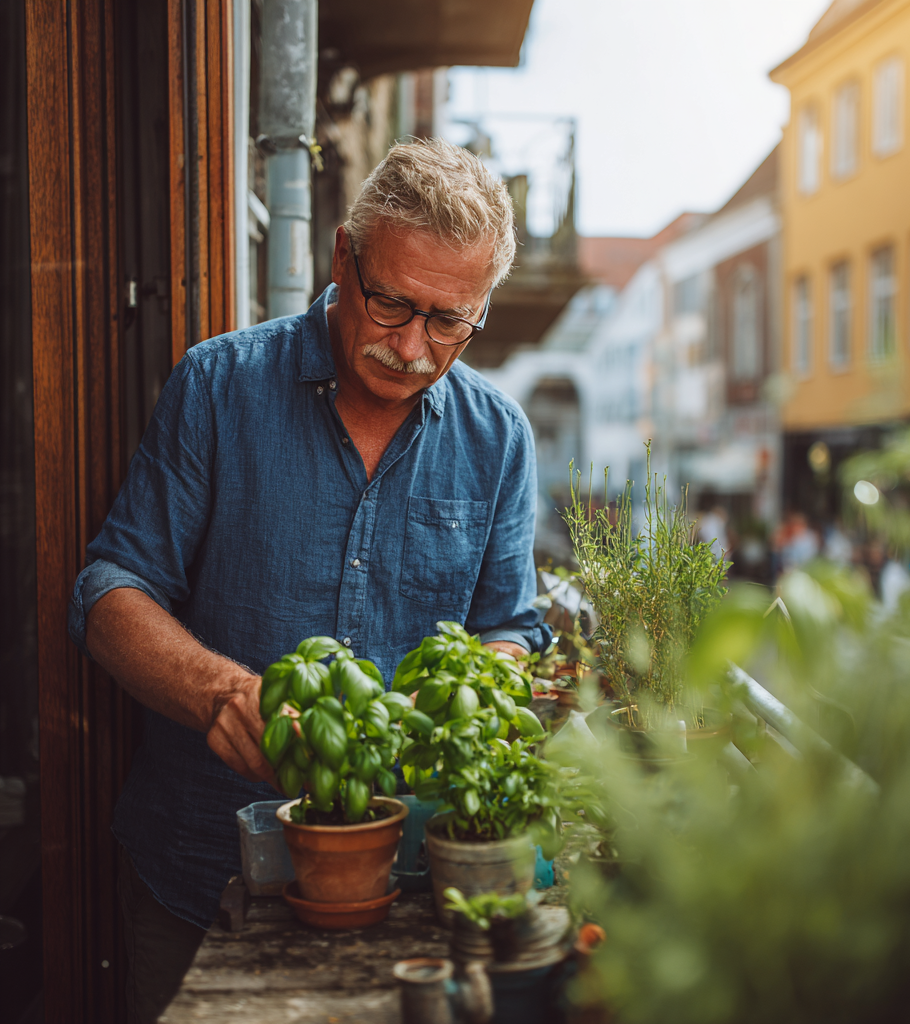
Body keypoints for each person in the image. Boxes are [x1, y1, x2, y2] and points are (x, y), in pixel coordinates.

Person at [67, 139, 551, 1024]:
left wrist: (483, 694)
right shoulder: (217, 387)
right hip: (203, 872)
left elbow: (509, 626)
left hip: (407, 892)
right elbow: (108, 593)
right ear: (342, 258)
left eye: (449, 321)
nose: (411, 348)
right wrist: (218, 691)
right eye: (392, 303)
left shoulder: (500, 438)